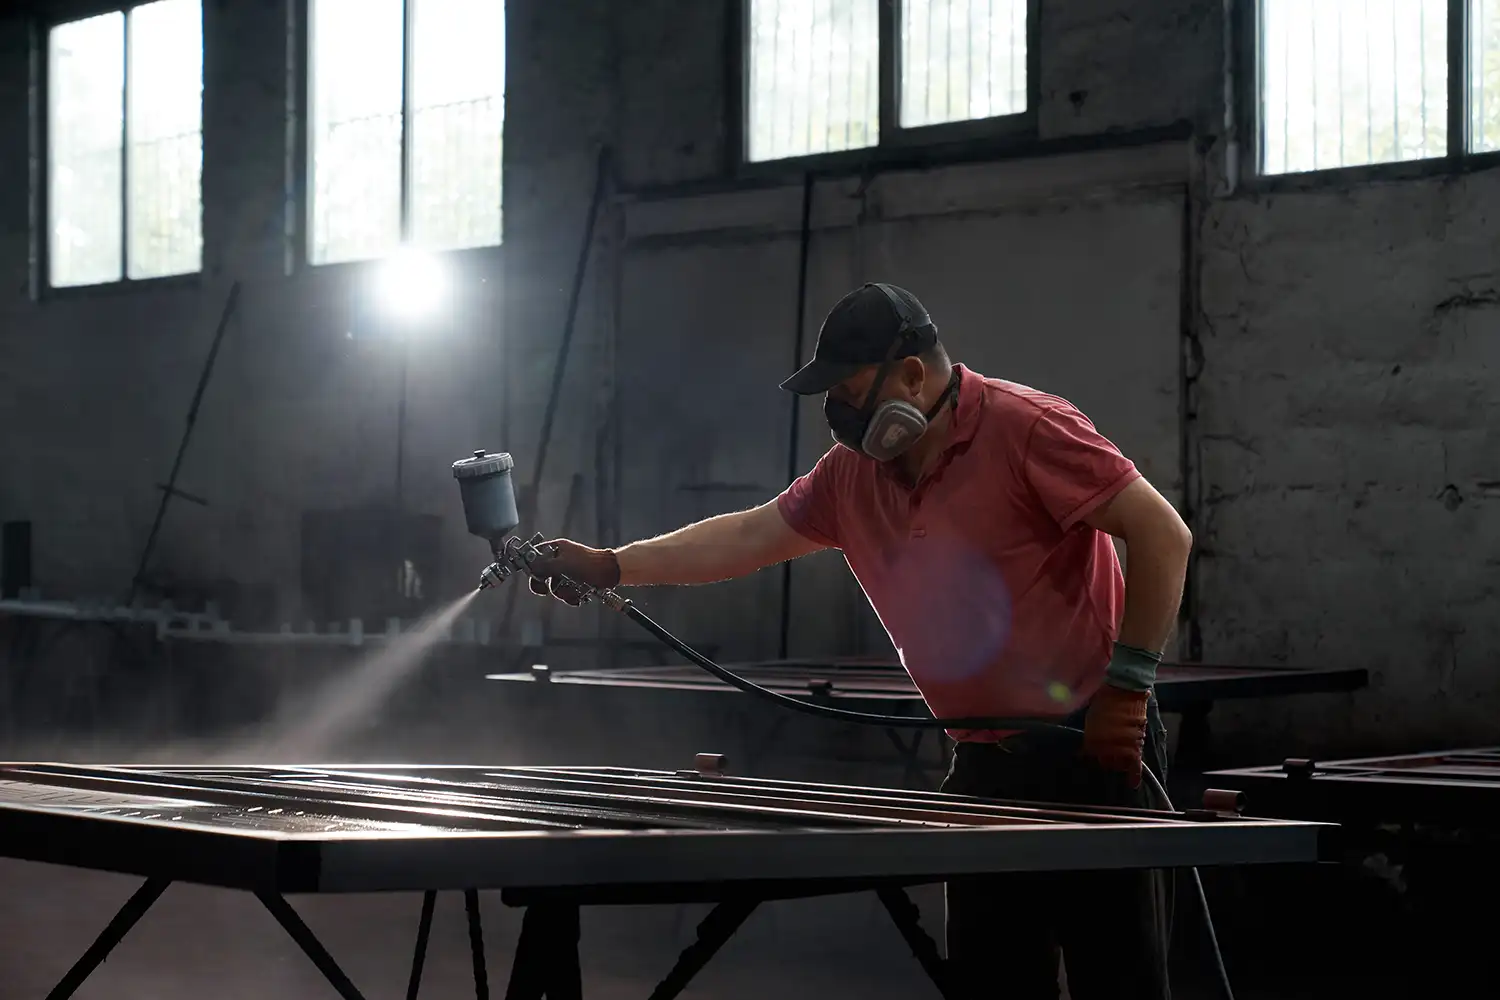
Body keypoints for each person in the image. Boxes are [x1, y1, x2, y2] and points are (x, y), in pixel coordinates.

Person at [525, 282, 1192, 1000]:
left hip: (1091, 746)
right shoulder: (852, 477)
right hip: (983, 758)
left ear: (910, 373)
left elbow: (1163, 535)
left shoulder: (1027, 427)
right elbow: (750, 535)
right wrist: (613, 564)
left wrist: (1128, 686)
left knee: (1117, 975)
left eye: (848, 389)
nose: (839, 413)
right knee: (996, 979)